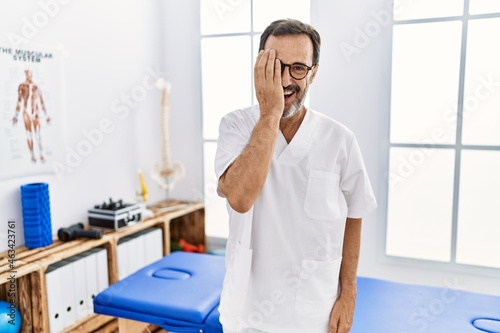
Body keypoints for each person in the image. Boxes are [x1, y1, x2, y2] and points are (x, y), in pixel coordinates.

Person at [215, 19, 377, 333]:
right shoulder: (234, 127)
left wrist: (349, 294)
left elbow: (356, 212)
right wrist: (270, 112)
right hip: (247, 314)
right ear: (260, 65)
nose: (286, 80)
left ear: (314, 72)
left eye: (298, 68)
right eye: (276, 66)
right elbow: (240, 198)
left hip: (314, 313)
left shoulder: (340, 140)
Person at [12, 69, 51, 163]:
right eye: (26, 73)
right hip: (26, 113)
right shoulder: (22, 86)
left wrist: (46, 115)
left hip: (35, 112)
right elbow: (19, 101)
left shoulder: (37, 86)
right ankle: (33, 156)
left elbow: (41, 101)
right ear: (25, 74)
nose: (28, 75)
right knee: (29, 135)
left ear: (32, 74)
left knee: (38, 135)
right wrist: (16, 116)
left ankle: (41, 155)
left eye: (29, 73)